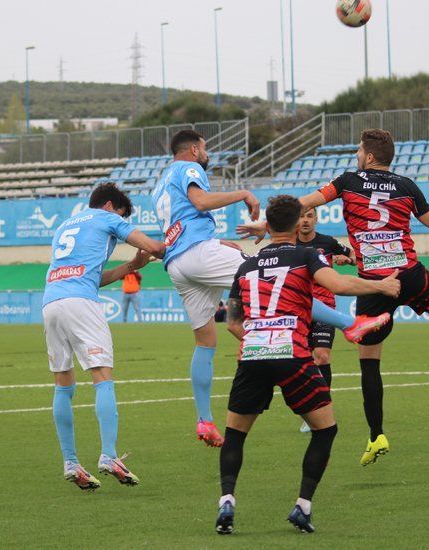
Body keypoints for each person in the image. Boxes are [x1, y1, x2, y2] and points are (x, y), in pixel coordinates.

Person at [151, 129, 387, 447]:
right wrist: (243, 194)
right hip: (198, 254)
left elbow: (181, 224)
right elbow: (201, 201)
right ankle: (350, 324)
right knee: (280, 279)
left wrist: (218, 241)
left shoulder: (160, 184)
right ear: (194, 149)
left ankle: (205, 420)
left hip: (178, 265)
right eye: (205, 148)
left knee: (205, 340)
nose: (207, 154)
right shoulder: (188, 168)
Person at [296, 129, 429, 467]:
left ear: (368, 156)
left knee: (369, 362)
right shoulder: (406, 185)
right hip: (410, 274)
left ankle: (376, 435)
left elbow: (306, 202)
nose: (356, 154)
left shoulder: (347, 181)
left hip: (374, 283)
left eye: (358, 150)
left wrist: (271, 222)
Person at [215, 195, 399, 535]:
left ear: (267, 225)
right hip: (293, 355)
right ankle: (302, 506)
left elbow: (231, 322)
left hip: (252, 356)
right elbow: (339, 284)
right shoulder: (305, 254)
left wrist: (259, 340)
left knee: (235, 435)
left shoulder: (246, 266)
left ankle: (226, 500)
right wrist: (381, 285)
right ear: (298, 222)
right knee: (325, 430)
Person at [43, 182, 166, 491]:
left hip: (51, 302)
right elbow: (153, 247)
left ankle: (71, 462)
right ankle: (109, 456)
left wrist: (129, 267)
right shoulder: (107, 217)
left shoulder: (64, 227)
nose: (120, 226)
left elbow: (93, 277)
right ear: (111, 207)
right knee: (102, 376)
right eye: (122, 216)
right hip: (81, 303)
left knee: (63, 384)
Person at [295, 208, 356, 433]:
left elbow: (354, 255)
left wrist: (346, 259)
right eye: (301, 216)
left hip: (324, 307)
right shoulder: (289, 244)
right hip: (298, 308)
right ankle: (308, 410)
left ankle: (321, 409)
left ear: (316, 219)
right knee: (301, 361)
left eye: (310, 216)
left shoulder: (328, 243)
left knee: (321, 356)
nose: (305, 220)